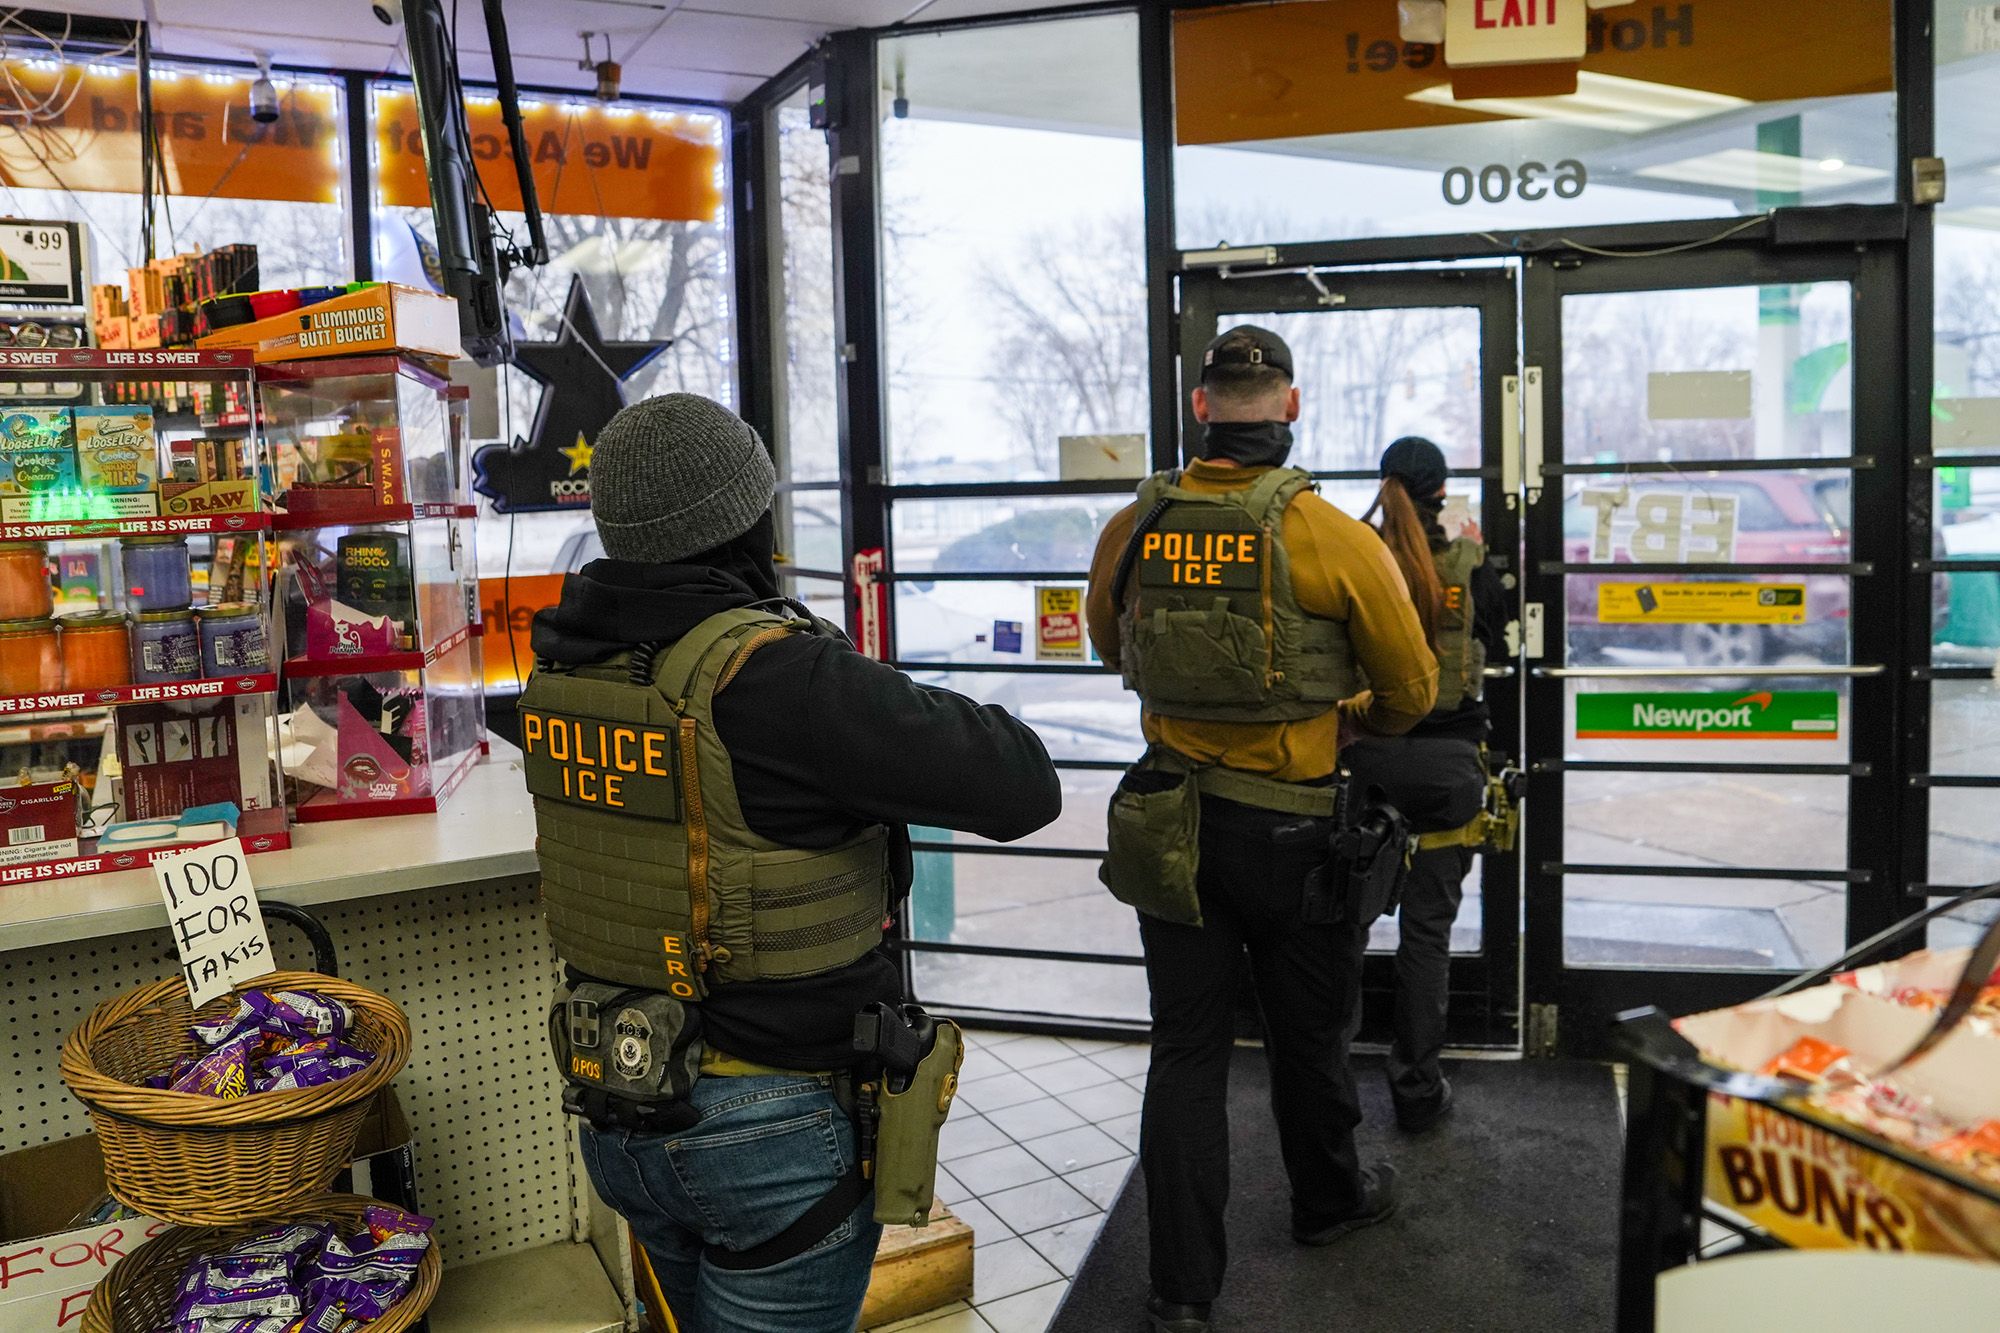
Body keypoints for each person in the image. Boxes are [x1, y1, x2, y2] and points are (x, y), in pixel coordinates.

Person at [519, 393, 1062, 1333]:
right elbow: (1023, 782)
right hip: (769, 1131)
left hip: (622, 1102)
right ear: (745, 519)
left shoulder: (566, 665)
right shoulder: (777, 679)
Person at [1084, 326, 1440, 1333]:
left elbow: (1106, 640)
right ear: (1289, 408)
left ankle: (1181, 1293)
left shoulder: (1135, 525)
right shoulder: (1330, 533)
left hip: (1169, 826)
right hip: (1292, 839)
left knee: (1185, 1053)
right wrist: (1347, 715)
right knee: (1306, 1038)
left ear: (1201, 408)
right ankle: (1328, 1201)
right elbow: (1412, 688)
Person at [1343, 436, 1512, 1132]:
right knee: (1427, 930)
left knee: (1342, 928)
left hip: (1364, 758)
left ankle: (1329, 1091)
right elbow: (1499, 644)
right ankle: (1416, 1089)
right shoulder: (1471, 565)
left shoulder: (1353, 552)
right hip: (1447, 767)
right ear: (1443, 491)